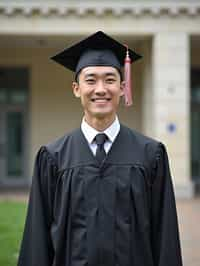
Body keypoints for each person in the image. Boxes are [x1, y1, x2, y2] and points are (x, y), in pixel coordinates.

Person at [18, 31, 183, 266]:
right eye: (91, 80)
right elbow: (37, 239)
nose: (101, 89)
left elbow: (165, 236)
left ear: (123, 87)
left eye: (110, 79)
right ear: (76, 88)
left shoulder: (150, 155)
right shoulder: (53, 158)